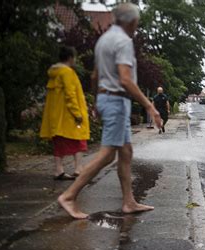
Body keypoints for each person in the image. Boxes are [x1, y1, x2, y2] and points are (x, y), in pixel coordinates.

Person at [57, 3, 162, 219]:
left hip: (107, 98)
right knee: (106, 155)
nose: (137, 26)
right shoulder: (123, 41)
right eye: (137, 22)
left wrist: (97, 102)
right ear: (131, 21)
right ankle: (69, 196)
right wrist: (149, 105)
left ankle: (128, 202)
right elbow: (125, 79)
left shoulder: (103, 40)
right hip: (116, 101)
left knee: (126, 152)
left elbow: (95, 76)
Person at [40, 46, 90, 180]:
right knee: (79, 140)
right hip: (68, 116)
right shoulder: (67, 73)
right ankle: (78, 168)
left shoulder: (54, 73)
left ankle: (58, 169)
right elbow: (70, 95)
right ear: (70, 58)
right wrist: (77, 113)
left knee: (59, 142)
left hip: (57, 117)